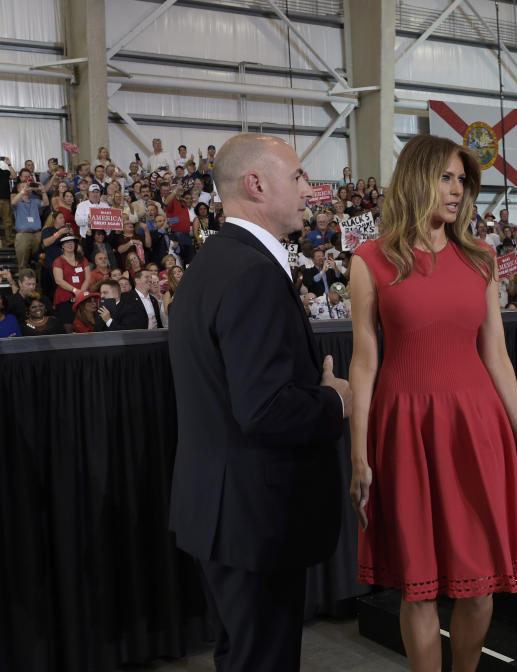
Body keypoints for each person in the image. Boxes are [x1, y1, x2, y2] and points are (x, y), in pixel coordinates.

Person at [348, 135, 517, 672]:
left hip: (475, 427)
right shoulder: (371, 260)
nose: (457, 189)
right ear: (418, 179)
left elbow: (497, 356)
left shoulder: (482, 258)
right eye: (446, 176)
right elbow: (364, 363)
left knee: (480, 583)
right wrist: (359, 456)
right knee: (417, 589)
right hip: (404, 429)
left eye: (462, 179)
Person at [167, 133, 351, 672]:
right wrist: (336, 400)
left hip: (223, 512)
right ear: (256, 184)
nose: (308, 190)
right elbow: (265, 409)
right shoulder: (252, 275)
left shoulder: (213, 265)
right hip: (256, 519)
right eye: (297, 177)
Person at [51, 234, 91, 325]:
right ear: (62, 246)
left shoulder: (83, 259)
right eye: (67, 242)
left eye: (72, 242)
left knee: (85, 324)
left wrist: (81, 292)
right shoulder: (58, 261)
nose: (70, 244)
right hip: (65, 297)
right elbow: (59, 281)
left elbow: (88, 278)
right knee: (68, 325)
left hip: (83, 296)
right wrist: (75, 290)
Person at [11, 179, 47, 272]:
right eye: (23, 186)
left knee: (40, 261)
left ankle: (39, 284)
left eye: (28, 186)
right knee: (22, 262)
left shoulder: (35, 201)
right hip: (23, 235)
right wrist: (23, 191)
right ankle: (23, 284)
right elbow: (13, 202)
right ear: (19, 189)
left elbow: (46, 203)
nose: (27, 188)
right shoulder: (17, 201)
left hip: (37, 234)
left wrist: (43, 191)